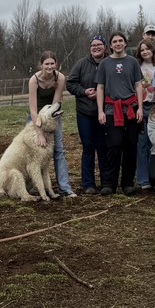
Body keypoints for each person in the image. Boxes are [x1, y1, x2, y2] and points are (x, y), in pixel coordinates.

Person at [96, 31, 144, 195]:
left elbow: (138, 85)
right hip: (111, 109)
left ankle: (128, 182)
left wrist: (140, 108)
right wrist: (101, 110)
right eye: (114, 41)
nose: (117, 43)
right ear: (110, 45)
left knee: (130, 145)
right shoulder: (104, 64)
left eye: (120, 41)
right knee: (114, 145)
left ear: (125, 43)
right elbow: (100, 88)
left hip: (131, 108)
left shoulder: (132, 62)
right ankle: (109, 183)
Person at [27, 51, 76, 197]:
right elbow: (33, 108)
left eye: (52, 63)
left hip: (51, 114)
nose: (49, 66)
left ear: (56, 64)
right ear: (41, 65)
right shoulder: (34, 80)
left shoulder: (60, 77)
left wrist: (51, 123)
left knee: (58, 150)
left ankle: (65, 187)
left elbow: (55, 104)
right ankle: (34, 186)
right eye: (46, 64)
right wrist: (40, 133)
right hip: (35, 115)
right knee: (35, 152)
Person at [66, 35, 109, 194]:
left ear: (105, 46)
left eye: (99, 45)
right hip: (85, 112)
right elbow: (70, 84)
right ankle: (88, 184)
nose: (96, 48)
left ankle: (107, 182)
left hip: (105, 112)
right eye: (93, 45)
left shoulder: (109, 62)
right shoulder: (81, 64)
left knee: (104, 147)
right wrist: (84, 91)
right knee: (88, 147)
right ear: (90, 48)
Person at [135, 40, 155, 190]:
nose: (145, 52)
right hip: (141, 107)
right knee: (141, 143)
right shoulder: (136, 67)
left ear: (152, 50)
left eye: (147, 49)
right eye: (142, 50)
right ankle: (143, 179)